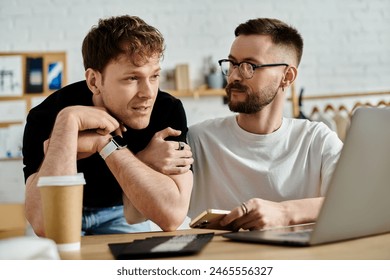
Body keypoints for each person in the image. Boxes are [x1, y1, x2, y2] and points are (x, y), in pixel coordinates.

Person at [23, 15, 193, 236]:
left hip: (121, 212)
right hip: (69, 212)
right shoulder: (47, 115)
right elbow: (43, 223)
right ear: (94, 81)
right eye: (132, 78)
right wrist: (68, 122)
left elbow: (171, 216)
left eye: (154, 76)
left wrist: (105, 144)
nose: (148, 93)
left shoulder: (167, 110)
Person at [187, 18, 343, 231]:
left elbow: (357, 201)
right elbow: (139, 215)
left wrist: (284, 213)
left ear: (287, 77)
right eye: (232, 64)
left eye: (249, 66)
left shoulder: (317, 139)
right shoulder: (197, 140)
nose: (234, 76)